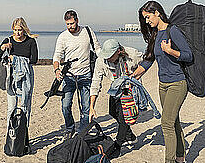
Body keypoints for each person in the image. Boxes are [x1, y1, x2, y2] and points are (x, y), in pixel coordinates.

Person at [131, 0, 193, 163]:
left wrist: (171, 51)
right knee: (173, 123)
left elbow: (188, 55)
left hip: (177, 83)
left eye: (148, 17)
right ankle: (181, 161)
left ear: (157, 13)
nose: (147, 21)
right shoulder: (155, 34)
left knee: (165, 123)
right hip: (163, 84)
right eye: (144, 19)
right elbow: (149, 60)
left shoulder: (172, 31)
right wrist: (134, 76)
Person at [52, 10, 100, 139]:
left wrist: (105, 61)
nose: (70, 27)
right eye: (67, 24)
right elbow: (57, 56)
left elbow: (97, 48)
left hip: (86, 76)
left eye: (72, 23)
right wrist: (57, 70)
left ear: (77, 20)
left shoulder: (88, 31)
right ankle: (69, 128)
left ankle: (83, 131)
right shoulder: (63, 36)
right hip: (69, 76)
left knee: (85, 107)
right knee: (65, 105)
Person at [89, 39, 143, 149]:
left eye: (110, 56)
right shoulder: (101, 61)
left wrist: (135, 76)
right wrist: (91, 106)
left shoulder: (132, 54)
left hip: (129, 89)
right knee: (113, 112)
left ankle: (117, 145)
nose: (107, 58)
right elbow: (96, 82)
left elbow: (146, 62)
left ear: (118, 52)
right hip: (115, 88)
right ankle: (130, 136)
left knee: (123, 118)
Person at [0, 17, 38, 128]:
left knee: (25, 107)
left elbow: (34, 60)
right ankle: (11, 132)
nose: (18, 33)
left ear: (24, 29)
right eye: (15, 30)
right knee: (11, 107)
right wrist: (3, 48)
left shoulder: (31, 41)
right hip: (11, 76)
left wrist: (17, 59)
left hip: (26, 76)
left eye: (20, 30)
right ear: (13, 29)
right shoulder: (8, 40)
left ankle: (23, 134)